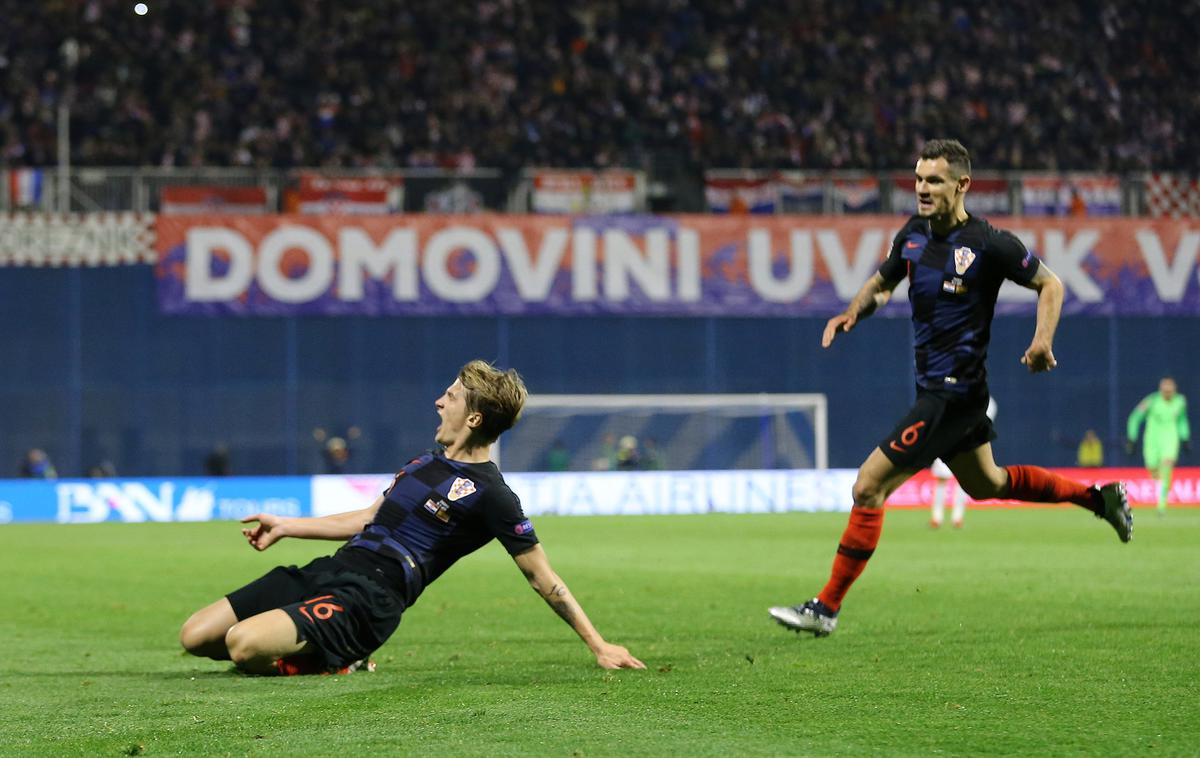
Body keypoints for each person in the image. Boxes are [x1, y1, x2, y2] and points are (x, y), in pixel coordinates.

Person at [768, 139, 1132, 638]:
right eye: (918, 179)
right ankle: (1099, 499)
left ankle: (825, 607)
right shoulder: (913, 235)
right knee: (990, 485)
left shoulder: (989, 243)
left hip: (954, 394)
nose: (921, 189)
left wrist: (1042, 340)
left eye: (933, 180)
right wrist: (854, 310)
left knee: (868, 486)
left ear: (962, 185)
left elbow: (1052, 285)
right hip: (940, 393)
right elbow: (881, 283)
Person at [180, 360, 644, 675]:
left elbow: (543, 578)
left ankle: (341, 658)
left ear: (475, 418)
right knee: (196, 636)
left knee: (243, 645)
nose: (439, 403)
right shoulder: (423, 464)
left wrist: (598, 644)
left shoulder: (493, 495)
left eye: (451, 397)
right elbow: (368, 518)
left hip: (372, 599)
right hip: (333, 569)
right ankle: (320, 644)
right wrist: (287, 526)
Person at [1126, 377, 1191, 516]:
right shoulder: (1151, 401)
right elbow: (1135, 418)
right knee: (1152, 468)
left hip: (1170, 440)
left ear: (1174, 389)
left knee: (1167, 467)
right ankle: (1159, 486)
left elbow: (1182, 421)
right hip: (1152, 441)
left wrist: (1185, 438)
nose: (1168, 392)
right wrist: (1132, 438)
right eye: (1165, 389)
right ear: (1161, 389)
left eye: (1170, 389)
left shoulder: (1180, 402)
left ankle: (1162, 505)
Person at [930, 396, 997, 529]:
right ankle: (936, 517)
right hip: (946, 441)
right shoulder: (953, 393)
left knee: (964, 480)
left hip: (968, 444)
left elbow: (984, 424)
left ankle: (957, 517)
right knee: (942, 479)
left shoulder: (988, 401)